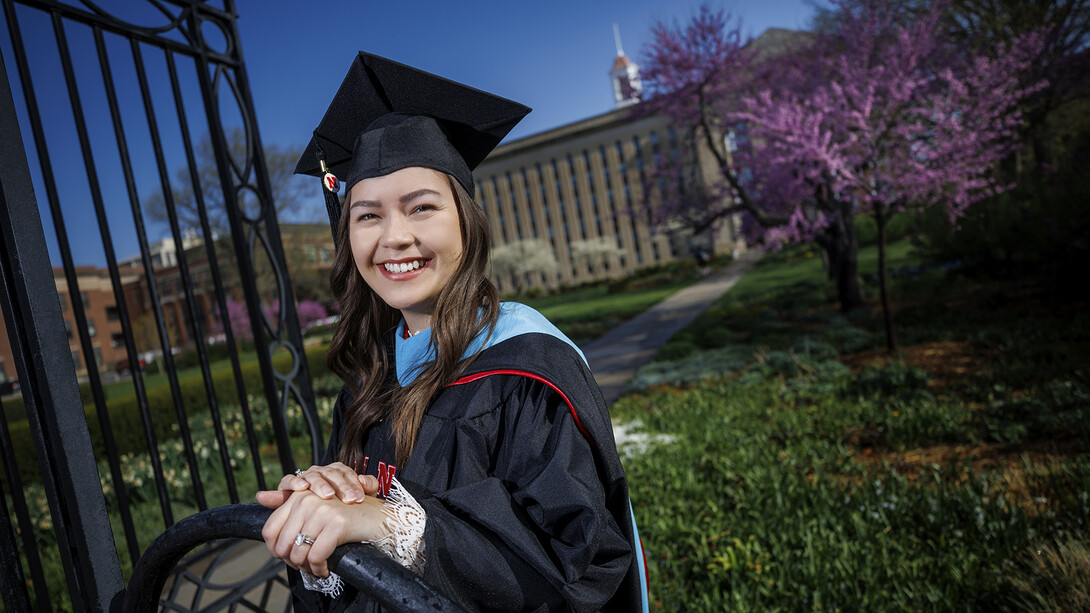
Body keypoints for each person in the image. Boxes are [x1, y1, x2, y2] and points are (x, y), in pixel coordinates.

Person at [256, 52, 648, 612]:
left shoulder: (527, 370)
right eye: (368, 215)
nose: (393, 237)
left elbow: (573, 561)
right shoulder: (367, 386)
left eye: (420, 208)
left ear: (466, 220)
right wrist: (322, 532)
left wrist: (395, 525)